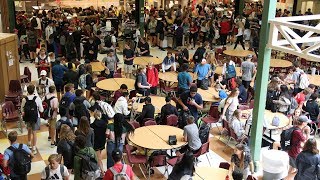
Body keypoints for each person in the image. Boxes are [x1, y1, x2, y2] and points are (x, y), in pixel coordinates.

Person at [21, 84, 43, 155]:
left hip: (27, 117)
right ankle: (34, 148)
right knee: (34, 132)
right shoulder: (37, 98)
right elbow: (41, 110)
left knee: (29, 130)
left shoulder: (24, 99)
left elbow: (22, 109)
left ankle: (29, 143)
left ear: (27, 91)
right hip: (36, 118)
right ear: (34, 90)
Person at [90, 111, 108, 176]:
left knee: (99, 158)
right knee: (99, 155)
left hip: (96, 143)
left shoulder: (92, 125)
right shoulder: (105, 124)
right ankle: (101, 170)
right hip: (102, 142)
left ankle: (102, 172)